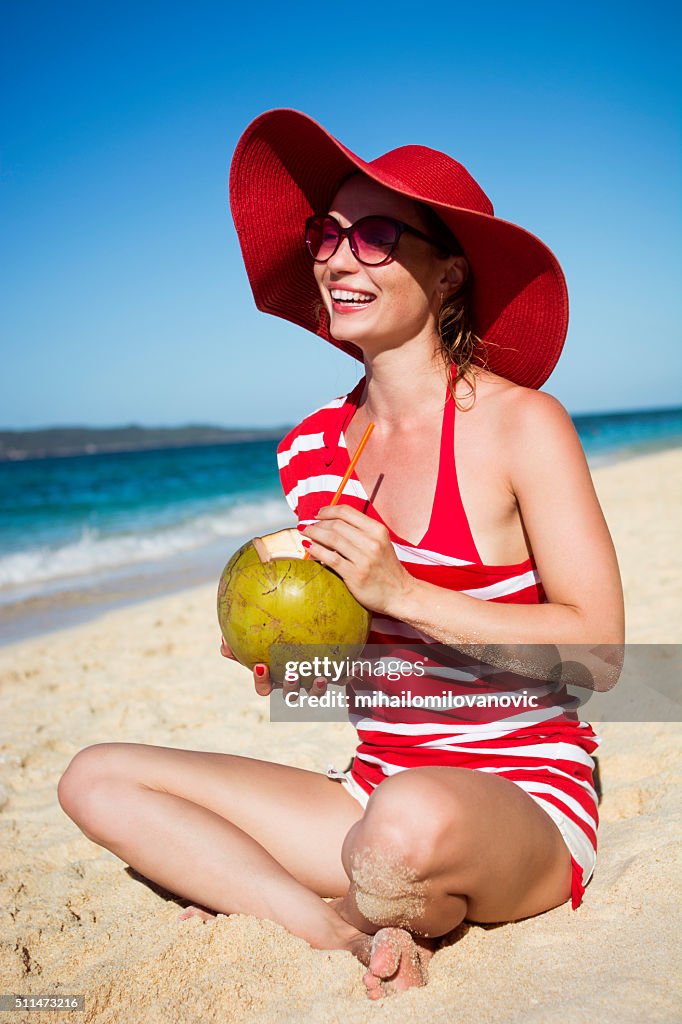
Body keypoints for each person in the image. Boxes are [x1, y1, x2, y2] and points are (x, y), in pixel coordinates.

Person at [58, 110, 624, 999]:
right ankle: (328, 925)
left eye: (375, 235)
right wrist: (296, 671)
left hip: (514, 795)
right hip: (371, 787)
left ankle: (319, 890)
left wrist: (404, 591)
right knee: (96, 779)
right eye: (326, 234)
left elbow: (601, 652)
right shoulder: (312, 448)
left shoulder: (523, 427)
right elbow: (374, 671)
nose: (335, 256)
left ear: (447, 276)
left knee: (401, 832)